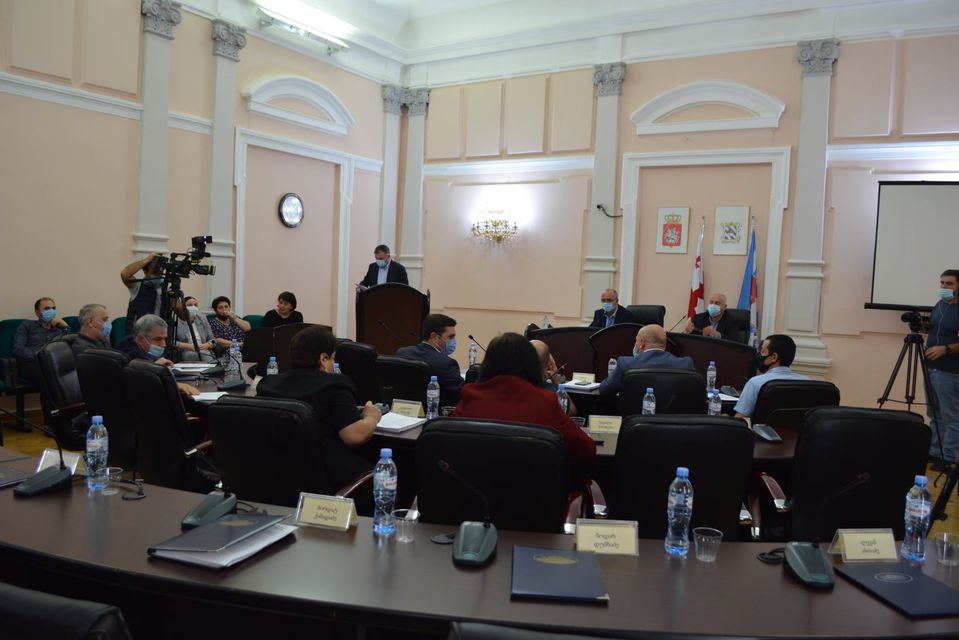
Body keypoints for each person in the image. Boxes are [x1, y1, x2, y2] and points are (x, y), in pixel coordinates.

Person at [256, 325, 382, 489]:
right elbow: (355, 436)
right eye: (332, 359)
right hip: (327, 479)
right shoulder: (334, 384)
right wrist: (372, 416)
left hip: (275, 476)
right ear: (323, 358)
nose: (333, 363)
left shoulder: (268, 384)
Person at [451, 333, 596, 468]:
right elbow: (587, 449)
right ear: (532, 365)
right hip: (534, 485)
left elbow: (446, 438)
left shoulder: (471, 396)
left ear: (487, 364)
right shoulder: (545, 402)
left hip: (475, 484)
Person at [116, 314, 203, 402]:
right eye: (158, 339)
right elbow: (139, 381)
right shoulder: (129, 351)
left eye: (165, 339)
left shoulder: (137, 345)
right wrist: (174, 384)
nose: (163, 344)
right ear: (141, 339)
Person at [599, 324, 695, 396]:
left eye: (636, 340)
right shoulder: (685, 364)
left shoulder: (626, 364)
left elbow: (605, 390)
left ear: (642, 342)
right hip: (672, 417)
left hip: (634, 417)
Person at [925, 269, 959, 465]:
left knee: (951, 416)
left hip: (950, 370)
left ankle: (948, 458)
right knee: (934, 412)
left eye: (949, 284)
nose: (944, 287)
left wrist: (945, 349)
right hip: (931, 367)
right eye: (942, 283)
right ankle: (935, 452)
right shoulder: (940, 305)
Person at [734, 334, 808, 419]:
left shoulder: (755, 383)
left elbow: (740, 419)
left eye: (762, 351)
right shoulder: (807, 382)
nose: (759, 355)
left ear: (774, 357)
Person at [396, 313, 464, 406]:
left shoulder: (402, 353)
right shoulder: (446, 363)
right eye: (450, 337)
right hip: (434, 412)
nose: (454, 341)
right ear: (434, 337)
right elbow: (462, 395)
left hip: (403, 410)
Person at [12, 297, 70, 388]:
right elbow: (17, 348)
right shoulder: (27, 325)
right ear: (37, 312)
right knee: (50, 372)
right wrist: (38, 357)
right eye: (47, 308)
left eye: (53, 308)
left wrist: (65, 327)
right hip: (31, 363)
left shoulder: (58, 329)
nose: (51, 311)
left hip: (52, 363)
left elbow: (68, 345)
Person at [121, 252, 165, 333]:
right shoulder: (137, 286)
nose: (159, 275)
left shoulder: (165, 289)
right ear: (145, 272)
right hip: (138, 335)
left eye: (161, 273)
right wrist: (147, 260)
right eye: (155, 272)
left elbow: (182, 316)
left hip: (158, 334)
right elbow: (124, 275)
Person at [531, 338, 577, 415]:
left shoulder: (514, 387)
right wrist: (556, 380)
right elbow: (571, 411)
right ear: (549, 363)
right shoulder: (551, 393)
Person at [174, 296, 217, 362]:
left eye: (195, 305)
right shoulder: (176, 320)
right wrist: (189, 346)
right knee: (195, 355)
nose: (193, 307)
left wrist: (208, 345)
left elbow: (213, 339)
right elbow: (171, 341)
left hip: (204, 350)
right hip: (186, 350)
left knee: (205, 354)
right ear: (182, 307)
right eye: (190, 305)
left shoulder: (202, 319)